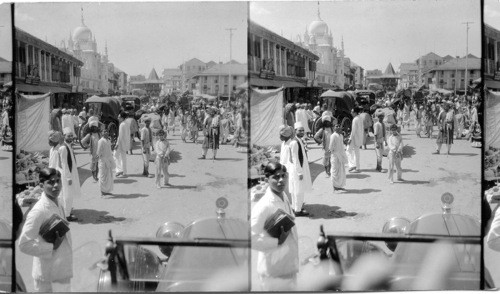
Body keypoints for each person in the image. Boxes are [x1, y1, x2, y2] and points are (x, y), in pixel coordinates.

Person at [18, 168, 73, 292]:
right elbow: (24, 244)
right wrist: (51, 247)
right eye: (51, 182)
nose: (56, 186)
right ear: (41, 185)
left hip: (61, 270)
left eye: (58, 181)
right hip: (46, 276)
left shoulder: (58, 202)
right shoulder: (38, 211)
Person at [251, 162, 298, 291]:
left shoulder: (283, 196)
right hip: (272, 272)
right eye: (276, 177)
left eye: (284, 176)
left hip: (287, 265)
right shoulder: (263, 206)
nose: (281, 180)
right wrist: (277, 242)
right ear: (267, 179)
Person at [289, 122, 311, 216]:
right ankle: (298, 210)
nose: (302, 132)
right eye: (300, 130)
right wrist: (299, 172)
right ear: (295, 131)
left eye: (303, 130)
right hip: (297, 170)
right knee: (298, 190)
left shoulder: (299, 140)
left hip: (300, 168)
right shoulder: (295, 142)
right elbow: (295, 159)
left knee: (297, 190)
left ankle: (295, 207)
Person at [59, 127, 81, 221]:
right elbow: (64, 164)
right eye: (69, 135)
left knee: (69, 194)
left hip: (71, 173)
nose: (71, 137)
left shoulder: (68, 145)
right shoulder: (64, 147)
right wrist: (68, 177)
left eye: (72, 135)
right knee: (68, 195)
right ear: (64, 136)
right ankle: (67, 215)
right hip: (67, 175)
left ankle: (67, 211)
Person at [329, 122, 348, 192]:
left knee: (340, 171)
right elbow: (330, 147)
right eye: (336, 126)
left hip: (341, 155)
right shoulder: (333, 136)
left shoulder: (341, 136)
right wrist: (332, 153)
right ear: (333, 128)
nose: (338, 127)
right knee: (335, 171)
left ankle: (338, 186)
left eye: (339, 126)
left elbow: (342, 145)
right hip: (335, 156)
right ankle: (334, 186)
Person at [347, 106, 364, 173]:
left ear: (355, 112)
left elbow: (353, 130)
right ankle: (356, 166)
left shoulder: (355, 119)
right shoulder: (360, 118)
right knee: (356, 152)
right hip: (358, 137)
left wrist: (350, 139)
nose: (351, 113)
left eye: (352, 112)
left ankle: (353, 166)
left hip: (354, 138)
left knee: (348, 150)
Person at [114, 112, 130, 177]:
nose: (118, 118)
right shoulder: (126, 123)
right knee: (123, 157)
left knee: (115, 155)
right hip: (125, 143)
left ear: (122, 118)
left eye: (119, 117)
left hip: (121, 143)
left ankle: (120, 170)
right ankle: (123, 171)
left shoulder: (122, 124)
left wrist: (117, 144)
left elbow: (120, 136)